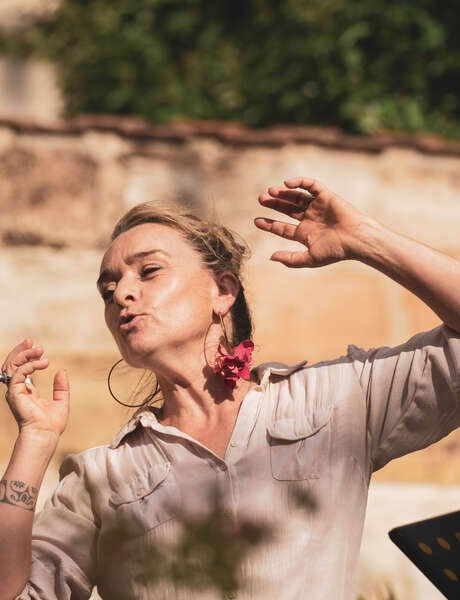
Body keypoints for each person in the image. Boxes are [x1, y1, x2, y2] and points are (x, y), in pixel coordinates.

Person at [1, 177, 460, 600]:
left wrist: (366, 240)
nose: (122, 293)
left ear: (223, 291)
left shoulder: (336, 399)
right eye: (108, 288)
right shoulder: (102, 478)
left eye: (149, 271)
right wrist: (36, 441)